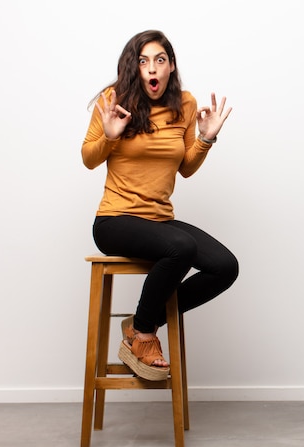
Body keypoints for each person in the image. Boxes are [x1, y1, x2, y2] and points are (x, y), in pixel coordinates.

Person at [82, 30, 239, 381]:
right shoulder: (113, 101)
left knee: (225, 267)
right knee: (180, 247)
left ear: (170, 67)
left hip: (159, 220)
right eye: (143, 61)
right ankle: (143, 335)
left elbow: (185, 168)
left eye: (159, 59)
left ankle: (143, 320)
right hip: (114, 220)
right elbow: (88, 159)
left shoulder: (183, 104)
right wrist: (109, 136)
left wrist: (206, 138)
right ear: (133, 68)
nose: (152, 68)